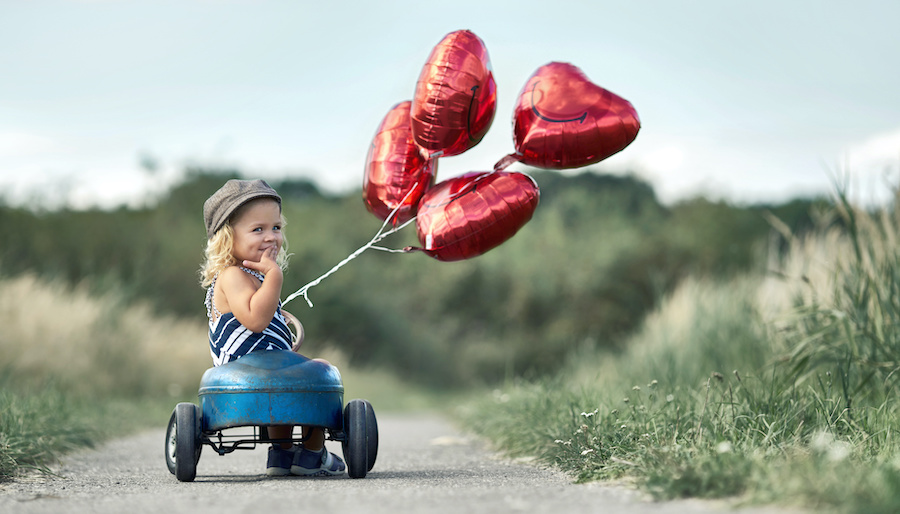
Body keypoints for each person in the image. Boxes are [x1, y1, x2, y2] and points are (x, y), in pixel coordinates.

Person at [199, 178, 345, 477]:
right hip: (244, 370)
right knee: (318, 374)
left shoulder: (256, 277)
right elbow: (255, 320)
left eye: (276, 228)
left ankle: (282, 453)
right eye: (258, 229)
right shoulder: (231, 276)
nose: (271, 237)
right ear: (228, 237)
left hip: (268, 369)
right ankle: (313, 453)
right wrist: (275, 276)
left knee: (290, 381)